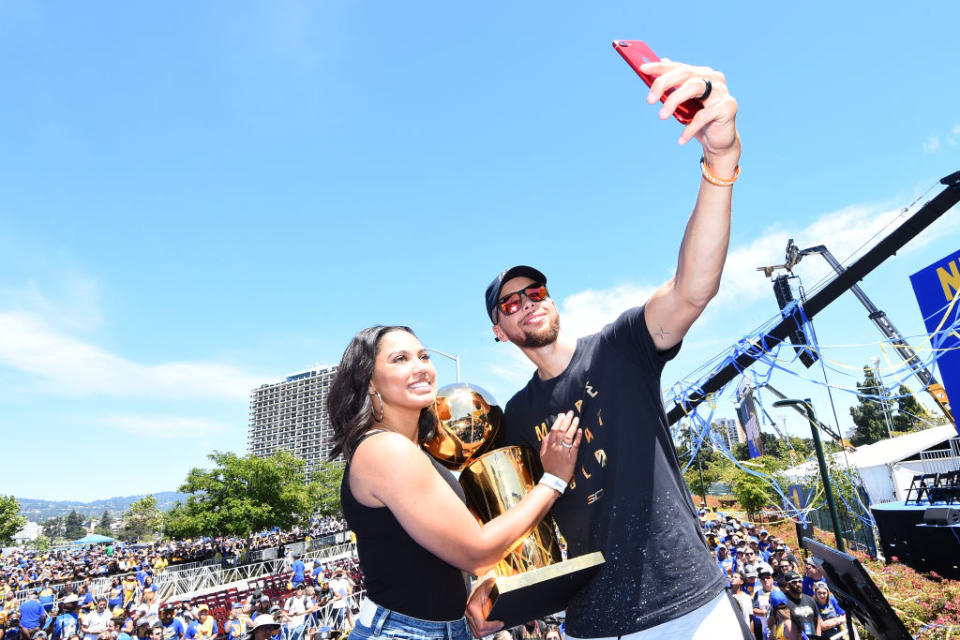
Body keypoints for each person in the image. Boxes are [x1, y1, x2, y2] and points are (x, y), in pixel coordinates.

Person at [475, 57, 742, 640]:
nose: (526, 303)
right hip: (591, 623)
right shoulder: (514, 419)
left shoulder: (621, 347)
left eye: (534, 291)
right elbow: (510, 526)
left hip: (688, 608)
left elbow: (693, 287)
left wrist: (720, 163)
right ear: (498, 330)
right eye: (509, 304)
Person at [326, 325, 582, 640]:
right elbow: (477, 551)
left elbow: (451, 551)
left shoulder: (414, 451)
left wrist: (482, 581)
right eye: (400, 359)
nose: (420, 367)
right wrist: (553, 480)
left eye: (423, 356)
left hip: (448, 629)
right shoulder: (384, 449)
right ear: (369, 382)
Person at [781, 572, 820, 639]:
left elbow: (817, 620)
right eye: (794, 582)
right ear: (787, 585)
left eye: (800, 581)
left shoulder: (810, 599)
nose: (798, 584)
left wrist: (818, 637)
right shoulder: (784, 603)